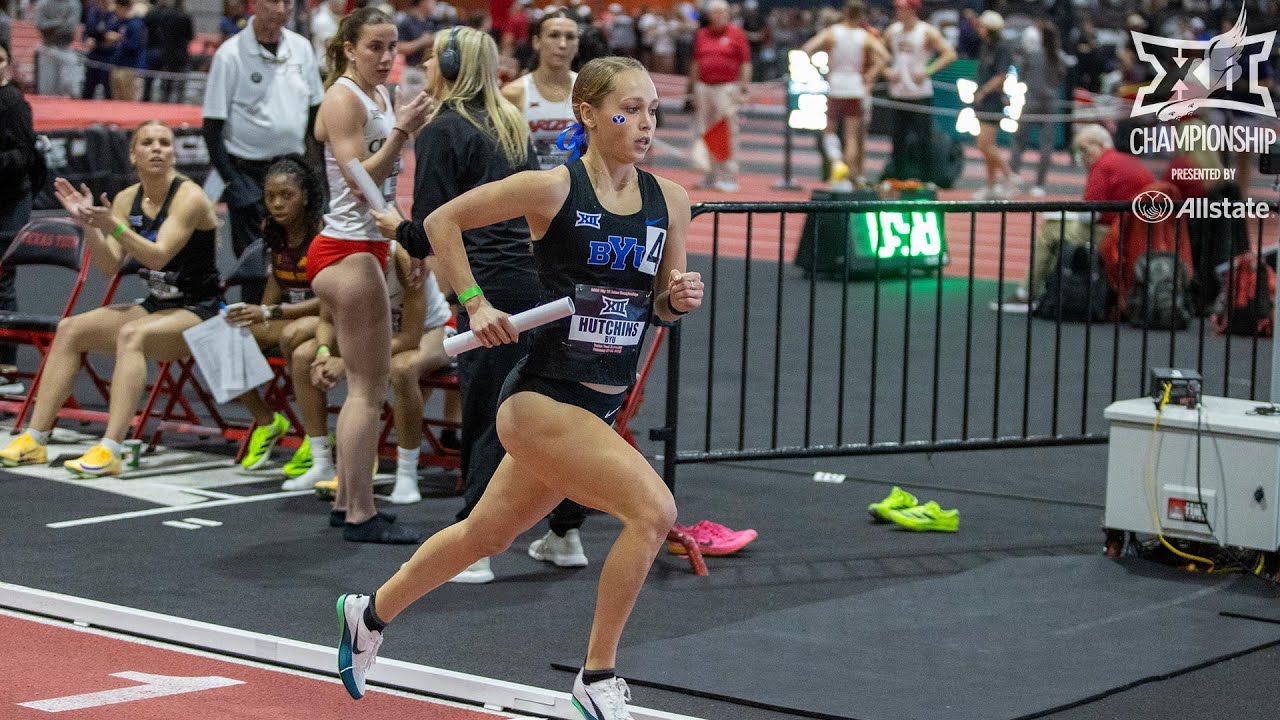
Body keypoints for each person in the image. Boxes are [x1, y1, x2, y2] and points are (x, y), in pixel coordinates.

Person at [336, 56, 701, 720]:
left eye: (653, 109)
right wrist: (474, 303)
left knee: (486, 536)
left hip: (600, 399)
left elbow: (660, 306)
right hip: (542, 398)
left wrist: (678, 298)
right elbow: (442, 223)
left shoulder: (669, 201)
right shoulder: (552, 188)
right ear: (588, 114)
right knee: (653, 513)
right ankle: (598, 677)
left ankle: (370, 613)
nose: (644, 122)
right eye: (629, 108)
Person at [372, 25, 547, 582]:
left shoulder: (444, 129)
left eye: (428, 60)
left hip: (488, 286)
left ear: (447, 66)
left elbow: (427, 230)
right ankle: (564, 534)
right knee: (547, 415)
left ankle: (477, 542)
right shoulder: (511, 122)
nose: (422, 68)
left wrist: (393, 226)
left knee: (488, 418)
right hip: (536, 281)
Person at [0, 121, 222, 476]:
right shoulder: (126, 199)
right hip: (156, 305)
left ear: (173, 154)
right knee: (71, 328)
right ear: (133, 154)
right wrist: (89, 224)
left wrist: (114, 227)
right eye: (147, 142)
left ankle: (111, 448)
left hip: (201, 312)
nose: (157, 149)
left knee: (132, 335)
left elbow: (157, 256)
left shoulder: (189, 197)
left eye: (165, 143)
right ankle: (35, 439)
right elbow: (108, 267)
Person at [311, 6, 433, 543]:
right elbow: (362, 181)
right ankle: (360, 511)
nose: (386, 58)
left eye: (393, 48)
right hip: (345, 249)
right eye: (375, 48)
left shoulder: (379, 95)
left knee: (367, 383)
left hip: (364, 246)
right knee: (366, 386)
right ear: (349, 48)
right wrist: (402, 134)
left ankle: (347, 501)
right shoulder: (344, 96)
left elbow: (381, 189)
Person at [502, 10, 596, 571]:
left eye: (570, 37)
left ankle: (565, 519)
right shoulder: (517, 95)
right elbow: (505, 169)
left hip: (580, 236)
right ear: (537, 42)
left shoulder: (590, 96)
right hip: (527, 237)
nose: (562, 44)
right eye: (553, 35)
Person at [289, 242, 451, 506]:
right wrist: (322, 353)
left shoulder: (403, 258)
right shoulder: (341, 260)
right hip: (372, 335)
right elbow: (328, 320)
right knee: (302, 356)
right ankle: (321, 461)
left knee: (403, 369)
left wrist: (347, 361)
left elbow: (410, 337)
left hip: (430, 330)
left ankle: (407, 474)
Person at [202, 0, 325, 305]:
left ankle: (293, 335)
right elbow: (212, 127)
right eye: (273, 1)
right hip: (248, 171)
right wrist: (233, 181)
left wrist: (318, 170)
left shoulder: (301, 49)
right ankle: (256, 337)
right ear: (254, 5)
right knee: (255, 264)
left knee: (300, 258)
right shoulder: (230, 55)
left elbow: (315, 116)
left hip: (293, 171)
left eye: (287, 2)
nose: (281, 8)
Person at [222, 154, 324, 476]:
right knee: (220, 337)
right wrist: (256, 317)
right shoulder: (273, 230)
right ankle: (267, 421)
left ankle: (314, 435)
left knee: (290, 335)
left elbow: (329, 300)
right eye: (270, 197)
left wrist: (270, 312)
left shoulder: (322, 233)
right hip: (287, 313)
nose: (277, 204)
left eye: (286, 196)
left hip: (326, 318)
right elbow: (276, 279)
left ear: (305, 196)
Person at [801, 0, 888, 188]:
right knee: (852, 136)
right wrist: (869, 75)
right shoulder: (864, 36)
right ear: (861, 15)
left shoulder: (833, 32)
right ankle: (848, 176)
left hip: (836, 84)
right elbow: (885, 57)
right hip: (855, 85)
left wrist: (821, 69)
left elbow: (807, 49)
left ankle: (837, 162)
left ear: (845, 12)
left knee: (830, 130)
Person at [0, 40, 40, 388]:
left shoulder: (12, 102)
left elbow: (24, 155)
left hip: (9, 201)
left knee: (3, 281)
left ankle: (7, 366)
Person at [882, 0, 955, 183]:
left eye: (902, 8)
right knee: (898, 138)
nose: (898, 11)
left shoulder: (926, 31)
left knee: (924, 139)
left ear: (912, 9)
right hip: (898, 92)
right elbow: (877, 52)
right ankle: (898, 178)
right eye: (896, 7)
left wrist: (928, 70)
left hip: (920, 93)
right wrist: (886, 71)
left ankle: (926, 179)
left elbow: (949, 53)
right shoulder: (893, 31)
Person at [689, 0, 750, 192]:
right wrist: (692, 89)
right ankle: (709, 174)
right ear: (710, 15)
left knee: (727, 131)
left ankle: (728, 176)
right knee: (705, 131)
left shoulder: (736, 33)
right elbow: (696, 62)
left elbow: (745, 62)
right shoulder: (701, 34)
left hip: (726, 88)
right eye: (718, 12)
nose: (723, 15)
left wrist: (743, 88)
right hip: (704, 87)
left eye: (725, 12)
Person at [1009, 20, 1066, 198]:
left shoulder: (1033, 55)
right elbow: (1061, 77)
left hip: (1031, 101)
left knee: (1019, 140)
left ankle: (1014, 177)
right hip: (1050, 103)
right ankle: (1040, 184)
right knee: (1046, 145)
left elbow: (1022, 76)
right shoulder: (1059, 57)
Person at [971, 10, 1012, 200]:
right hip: (983, 102)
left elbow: (1001, 75)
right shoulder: (986, 46)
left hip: (992, 101)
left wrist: (984, 91)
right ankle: (991, 184)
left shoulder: (1002, 48)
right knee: (987, 145)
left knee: (984, 144)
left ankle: (1009, 176)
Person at [143, 0, 193, 103]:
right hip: (180, 53)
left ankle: (154, 102)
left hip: (163, 52)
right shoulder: (185, 16)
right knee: (179, 87)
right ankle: (178, 106)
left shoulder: (158, 15)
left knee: (161, 86)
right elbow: (190, 36)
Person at [34, 0, 81, 97]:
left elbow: (70, 27)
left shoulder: (73, 4)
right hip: (47, 48)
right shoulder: (43, 3)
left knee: (70, 88)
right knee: (46, 89)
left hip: (66, 49)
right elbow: (40, 24)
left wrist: (50, 27)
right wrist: (60, 21)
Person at [396, 0, 439, 101]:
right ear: (422, 2)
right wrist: (421, 42)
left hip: (429, 70)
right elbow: (399, 47)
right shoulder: (407, 22)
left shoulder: (431, 21)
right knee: (411, 105)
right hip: (413, 70)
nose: (434, 3)